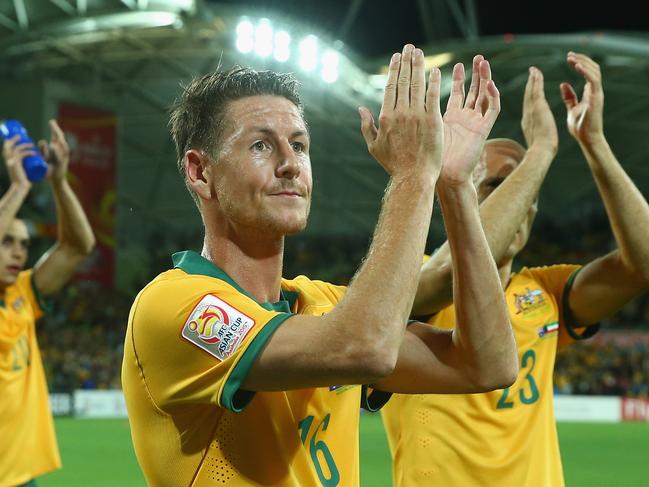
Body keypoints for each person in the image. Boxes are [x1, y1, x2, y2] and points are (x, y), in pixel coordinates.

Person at [122, 44, 518, 486]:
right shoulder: (174, 306)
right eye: (260, 145)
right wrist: (411, 176)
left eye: (298, 145)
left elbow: (487, 365)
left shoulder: (323, 305)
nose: (290, 165)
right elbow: (363, 346)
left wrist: (454, 185)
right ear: (200, 172)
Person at [381, 52, 649, 486]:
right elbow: (458, 271)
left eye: (526, 192)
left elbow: (642, 264)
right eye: (496, 185)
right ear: (456, 191)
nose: (520, 203)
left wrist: (593, 142)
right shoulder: (409, 282)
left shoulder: (546, 294)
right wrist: (539, 153)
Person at [0, 120, 95, 486]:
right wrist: (20, 186)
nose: (18, 252)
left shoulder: (22, 292)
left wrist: (59, 183)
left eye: (23, 244)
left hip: (22, 476)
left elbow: (77, 247)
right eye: (7, 241)